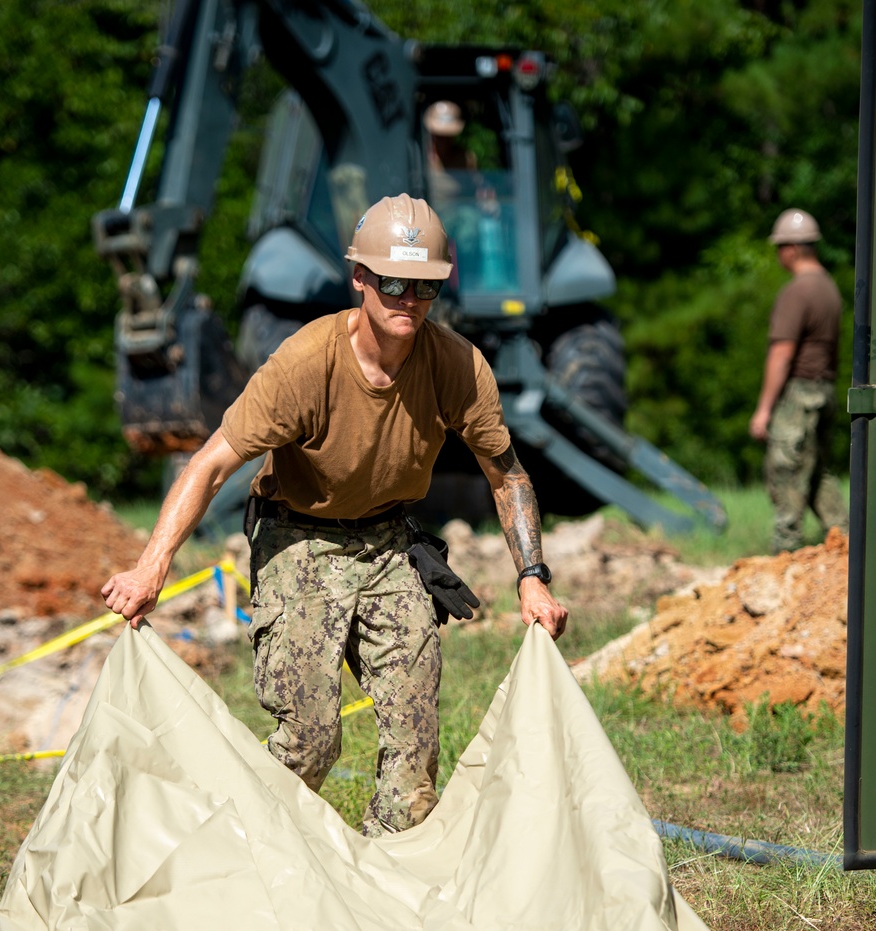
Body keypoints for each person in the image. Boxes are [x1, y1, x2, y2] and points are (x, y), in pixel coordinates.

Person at [101, 194, 567, 836]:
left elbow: (506, 474)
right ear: (361, 280)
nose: (409, 299)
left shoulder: (457, 365)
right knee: (310, 744)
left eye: (426, 286)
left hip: (388, 543)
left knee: (413, 763)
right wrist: (149, 569)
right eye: (395, 283)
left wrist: (532, 576)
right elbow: (209, 464)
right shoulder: (304, 363)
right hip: (298, 539)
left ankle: (387, 899)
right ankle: (243, 857)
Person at [749, 208, 848, 554]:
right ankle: (848, 542)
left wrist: (763, 410)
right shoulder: (829, 288)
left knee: (786, 474)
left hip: (799, 396)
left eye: (779, 247)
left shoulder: (797, 291)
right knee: (818, 472)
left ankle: (784, 557)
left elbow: (782, 355)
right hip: (824, 392)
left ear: (791, 249)